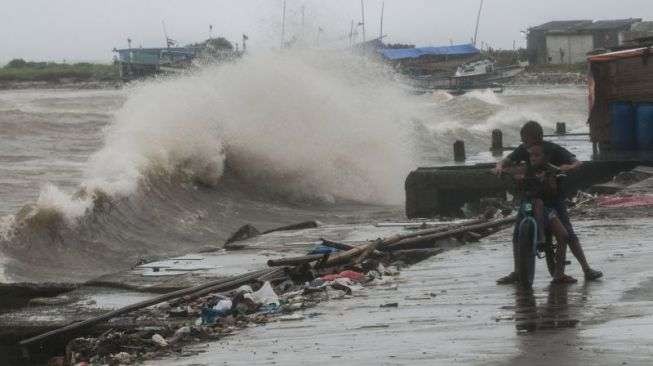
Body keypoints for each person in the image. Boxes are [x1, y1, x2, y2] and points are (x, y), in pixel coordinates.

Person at [494, 121, 603, 284]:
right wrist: (499, 167)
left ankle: (586, 268)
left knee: (568, 233)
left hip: (553, 199)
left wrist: (567, 168)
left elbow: (576, 162)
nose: (525, 146)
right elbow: (507, 161)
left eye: (525, 139)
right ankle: (518, 271)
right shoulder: (524, 150)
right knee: (517, 234)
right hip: (531, 197)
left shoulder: (552, 150)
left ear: (534, 137)